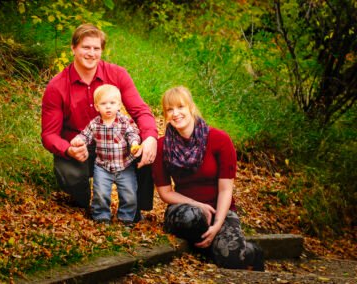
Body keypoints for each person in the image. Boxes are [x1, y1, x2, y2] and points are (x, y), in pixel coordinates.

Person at [41, 24, 157, 215]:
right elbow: (49, 134)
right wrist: (68, 150)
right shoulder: (57, 86)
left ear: (102, 50)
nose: (91, 53)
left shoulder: (117, 74)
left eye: (96, 48)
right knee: (71, 176)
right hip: (80, 146)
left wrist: (151, 137)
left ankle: (136, 207)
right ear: (73, 48)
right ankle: (86, 203)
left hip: (117, 142)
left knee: (149, 145)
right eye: (86, 47)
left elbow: (141, 111)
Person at [152, 86, 264, 271]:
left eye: (180, 107)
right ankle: (212, 245)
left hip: (221, 210)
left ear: (191, 107)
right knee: (191, 217)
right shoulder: (162, 145)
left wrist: (218, 223)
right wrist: (198, 205)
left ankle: (251, 251)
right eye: (170, 109)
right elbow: (165, 192)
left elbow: (225, 189)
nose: (176, 113)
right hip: (185, 210)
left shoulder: (220, 139)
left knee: (232, 259)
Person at [70, 84, 141, 224]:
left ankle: (126, 217)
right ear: (97, 107)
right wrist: (78, 140)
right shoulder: (95, 124)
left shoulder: (124, 121)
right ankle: (101, 215)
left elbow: (133, 133)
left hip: (124, 165)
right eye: (103, 104)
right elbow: (86, 135)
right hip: (102, 166)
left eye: (112, 103)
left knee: (129, 193)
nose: (108, 107)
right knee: (100, 193)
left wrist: (134, 144)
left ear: (119, 105)